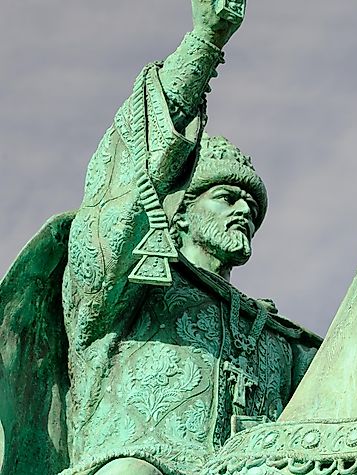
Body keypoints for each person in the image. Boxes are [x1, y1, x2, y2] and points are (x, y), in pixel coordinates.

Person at [0, 1, 320, 474]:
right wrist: (205, 43)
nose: (244, 211)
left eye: (253, 206)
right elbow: (131, 172)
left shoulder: (280, 340)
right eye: (227, 197)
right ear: (181, 212)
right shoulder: (125, 288)